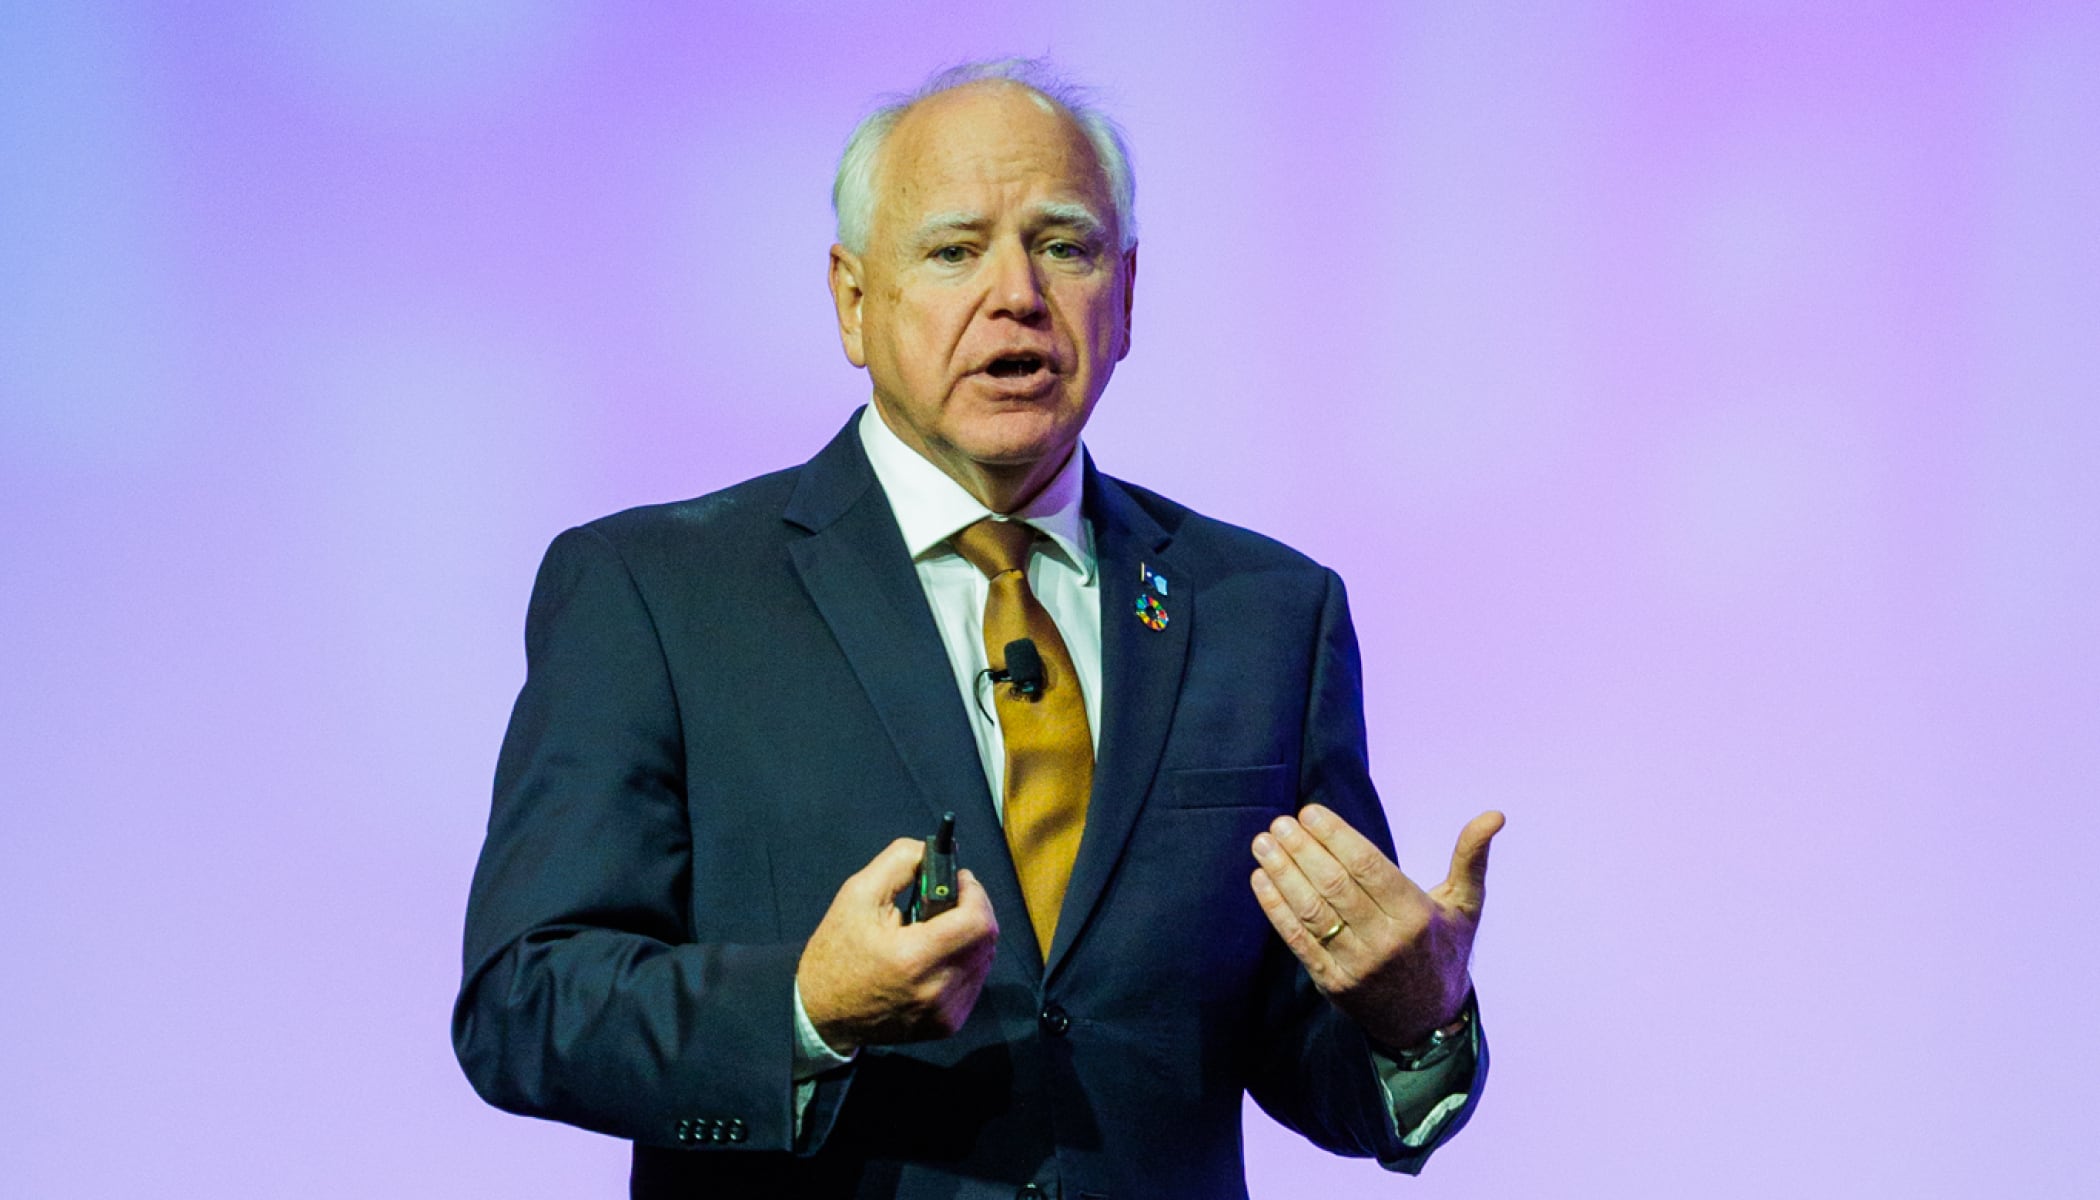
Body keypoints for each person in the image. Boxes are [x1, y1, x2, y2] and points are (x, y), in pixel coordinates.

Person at [455, 58, 1504, 1199]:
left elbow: (1305, 1055)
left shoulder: (1266, 614)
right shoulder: (657, 590)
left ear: (1129, 296)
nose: (1018, 295)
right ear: (854, 301)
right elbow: (527, 1005)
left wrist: (1417, 1021)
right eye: (955, 250)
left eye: (1065, 246)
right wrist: (805, 1010)